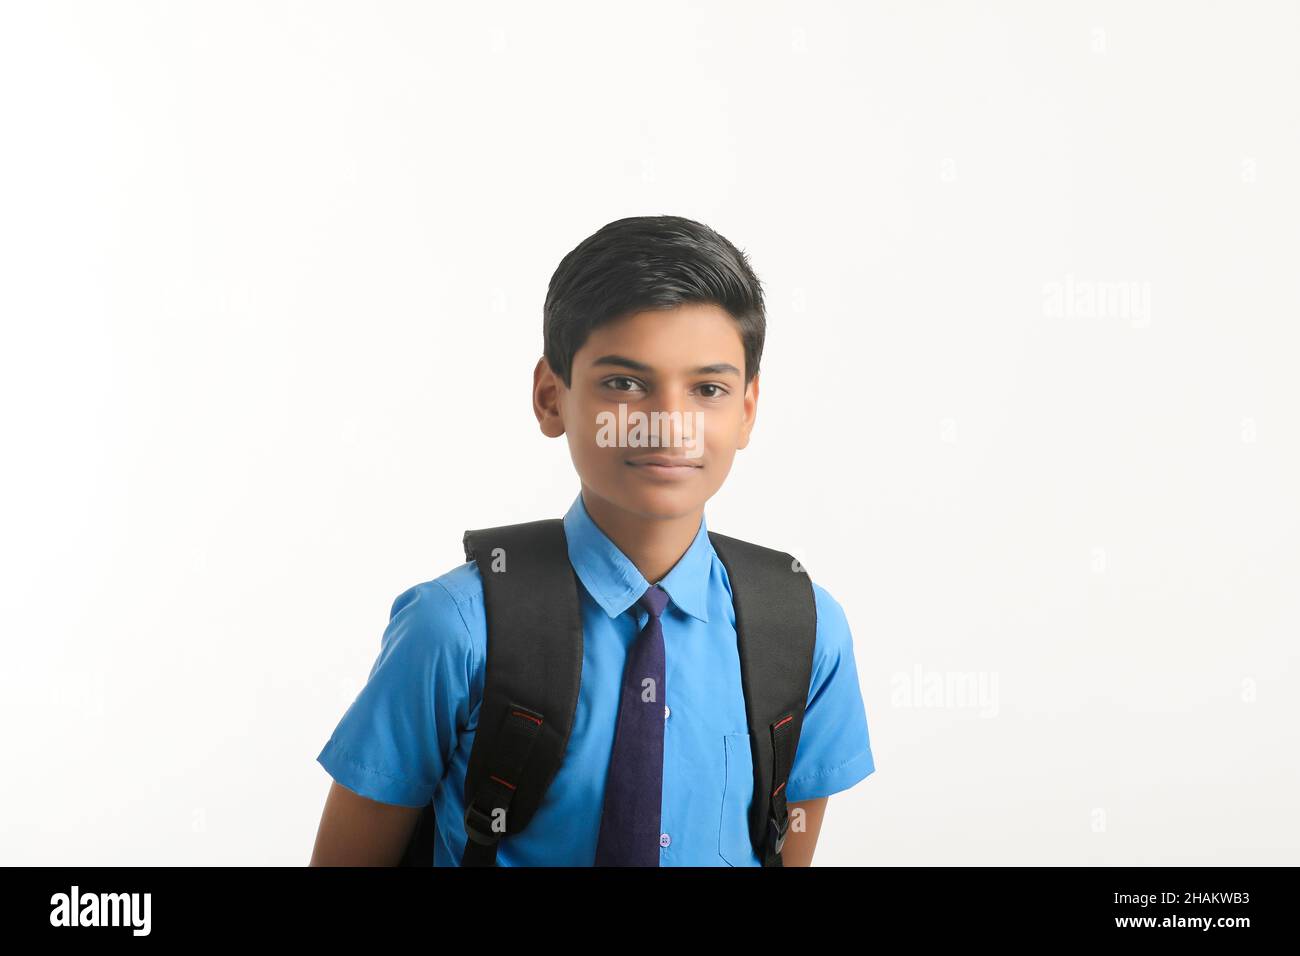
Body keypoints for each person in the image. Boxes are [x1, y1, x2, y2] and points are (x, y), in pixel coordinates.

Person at [309, 215, 876, 866]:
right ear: (552, 398)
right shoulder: (457, 630)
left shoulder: (801, 633)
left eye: (708, 389)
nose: (668, 424)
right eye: (624, 383)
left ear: (747, 409)